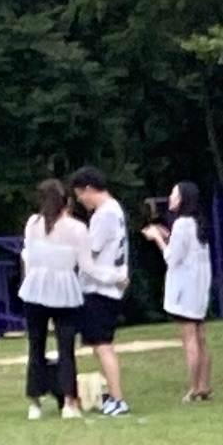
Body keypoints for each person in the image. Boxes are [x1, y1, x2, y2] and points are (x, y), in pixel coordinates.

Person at [14, 176, 87, 418]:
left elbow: (29, 257)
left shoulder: (32, 224)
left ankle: (35, 403)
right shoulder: (76, 228)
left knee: (36, 346)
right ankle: (69, 402)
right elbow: (85, 264)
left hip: (36, 289)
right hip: (64, 290)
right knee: (66, 349)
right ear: (65, 201)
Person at [68, 168, 132, 418]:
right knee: (98, 344)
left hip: (100, 287)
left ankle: (118, 398)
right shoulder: (115, 209)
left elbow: (89, 252)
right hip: (107, 284)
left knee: (103, 345)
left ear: (88, 189)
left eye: (80, 194)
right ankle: (112, 395)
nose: (80, 200)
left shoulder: (104, 214)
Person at [144, 182, 214, 402]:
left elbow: (172, 258)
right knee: (200, 337)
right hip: (199, 286)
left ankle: (194, 388)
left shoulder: (182, 224)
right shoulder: (196, 222)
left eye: (174, 194)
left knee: (190, 337)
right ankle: (204, 385)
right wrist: (167, 236)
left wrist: (157, 238)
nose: (171, 198)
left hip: (185, 288)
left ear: (183, 199)